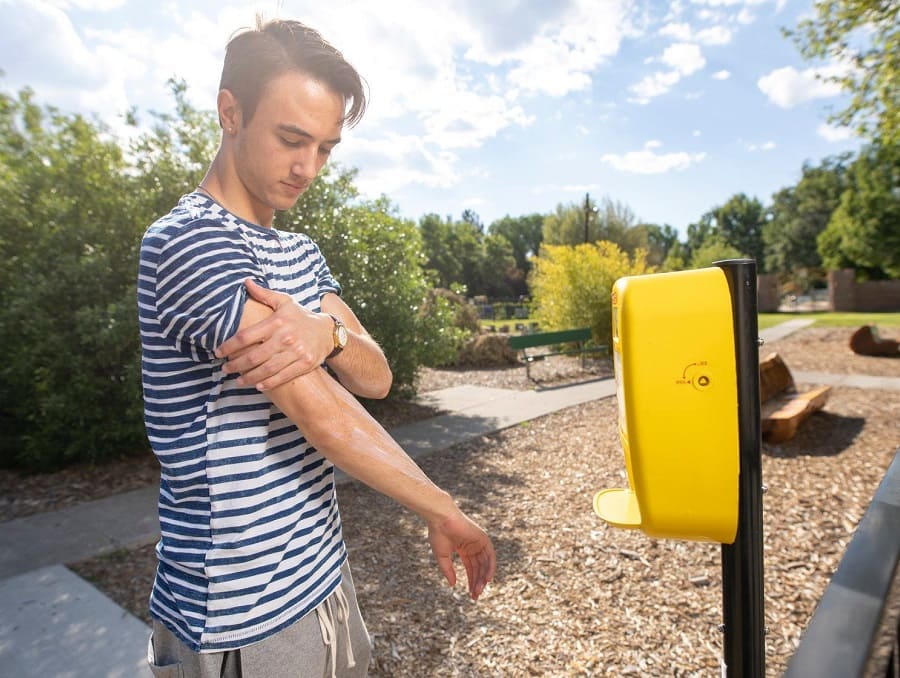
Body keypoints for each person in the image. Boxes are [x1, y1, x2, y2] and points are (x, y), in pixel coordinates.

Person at [137, 17, 496, 678]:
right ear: (230, 112)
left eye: (326, 148)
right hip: (238, 611)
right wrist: (442, 507)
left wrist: (325, 332)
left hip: (323, 578)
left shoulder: (301, 253)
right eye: (291, 139)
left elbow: (376, 376)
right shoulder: (187, 241)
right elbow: (324, 415)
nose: (308, 168)